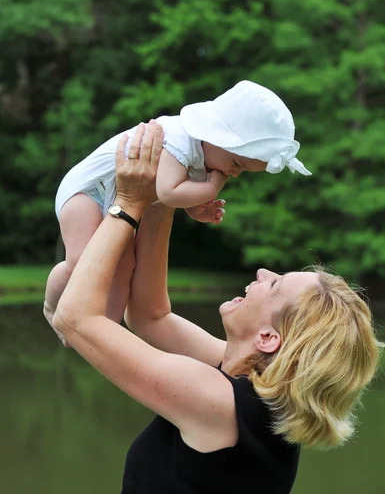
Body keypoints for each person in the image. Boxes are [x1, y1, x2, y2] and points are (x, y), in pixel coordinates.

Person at [53, 121, 381, 494]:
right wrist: (166, 199)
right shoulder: (254, 394)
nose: (263, 271)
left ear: (268, 339)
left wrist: (127, 206)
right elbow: (149, 316)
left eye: (274, 285)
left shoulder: (218, 403)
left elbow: (76, 319)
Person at [45, 80, 312, 345]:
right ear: (216, 136)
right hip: (88, 191)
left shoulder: (202, 155)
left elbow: (170, 195)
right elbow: (168, 192)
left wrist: (196, 209)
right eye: (235, 163)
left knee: (123, 266)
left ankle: (104, 329)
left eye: (241, 170)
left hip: (117, 197)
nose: (232, 173)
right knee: (82, 261)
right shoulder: (179, 140)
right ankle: (52, 306)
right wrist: (209, 189)